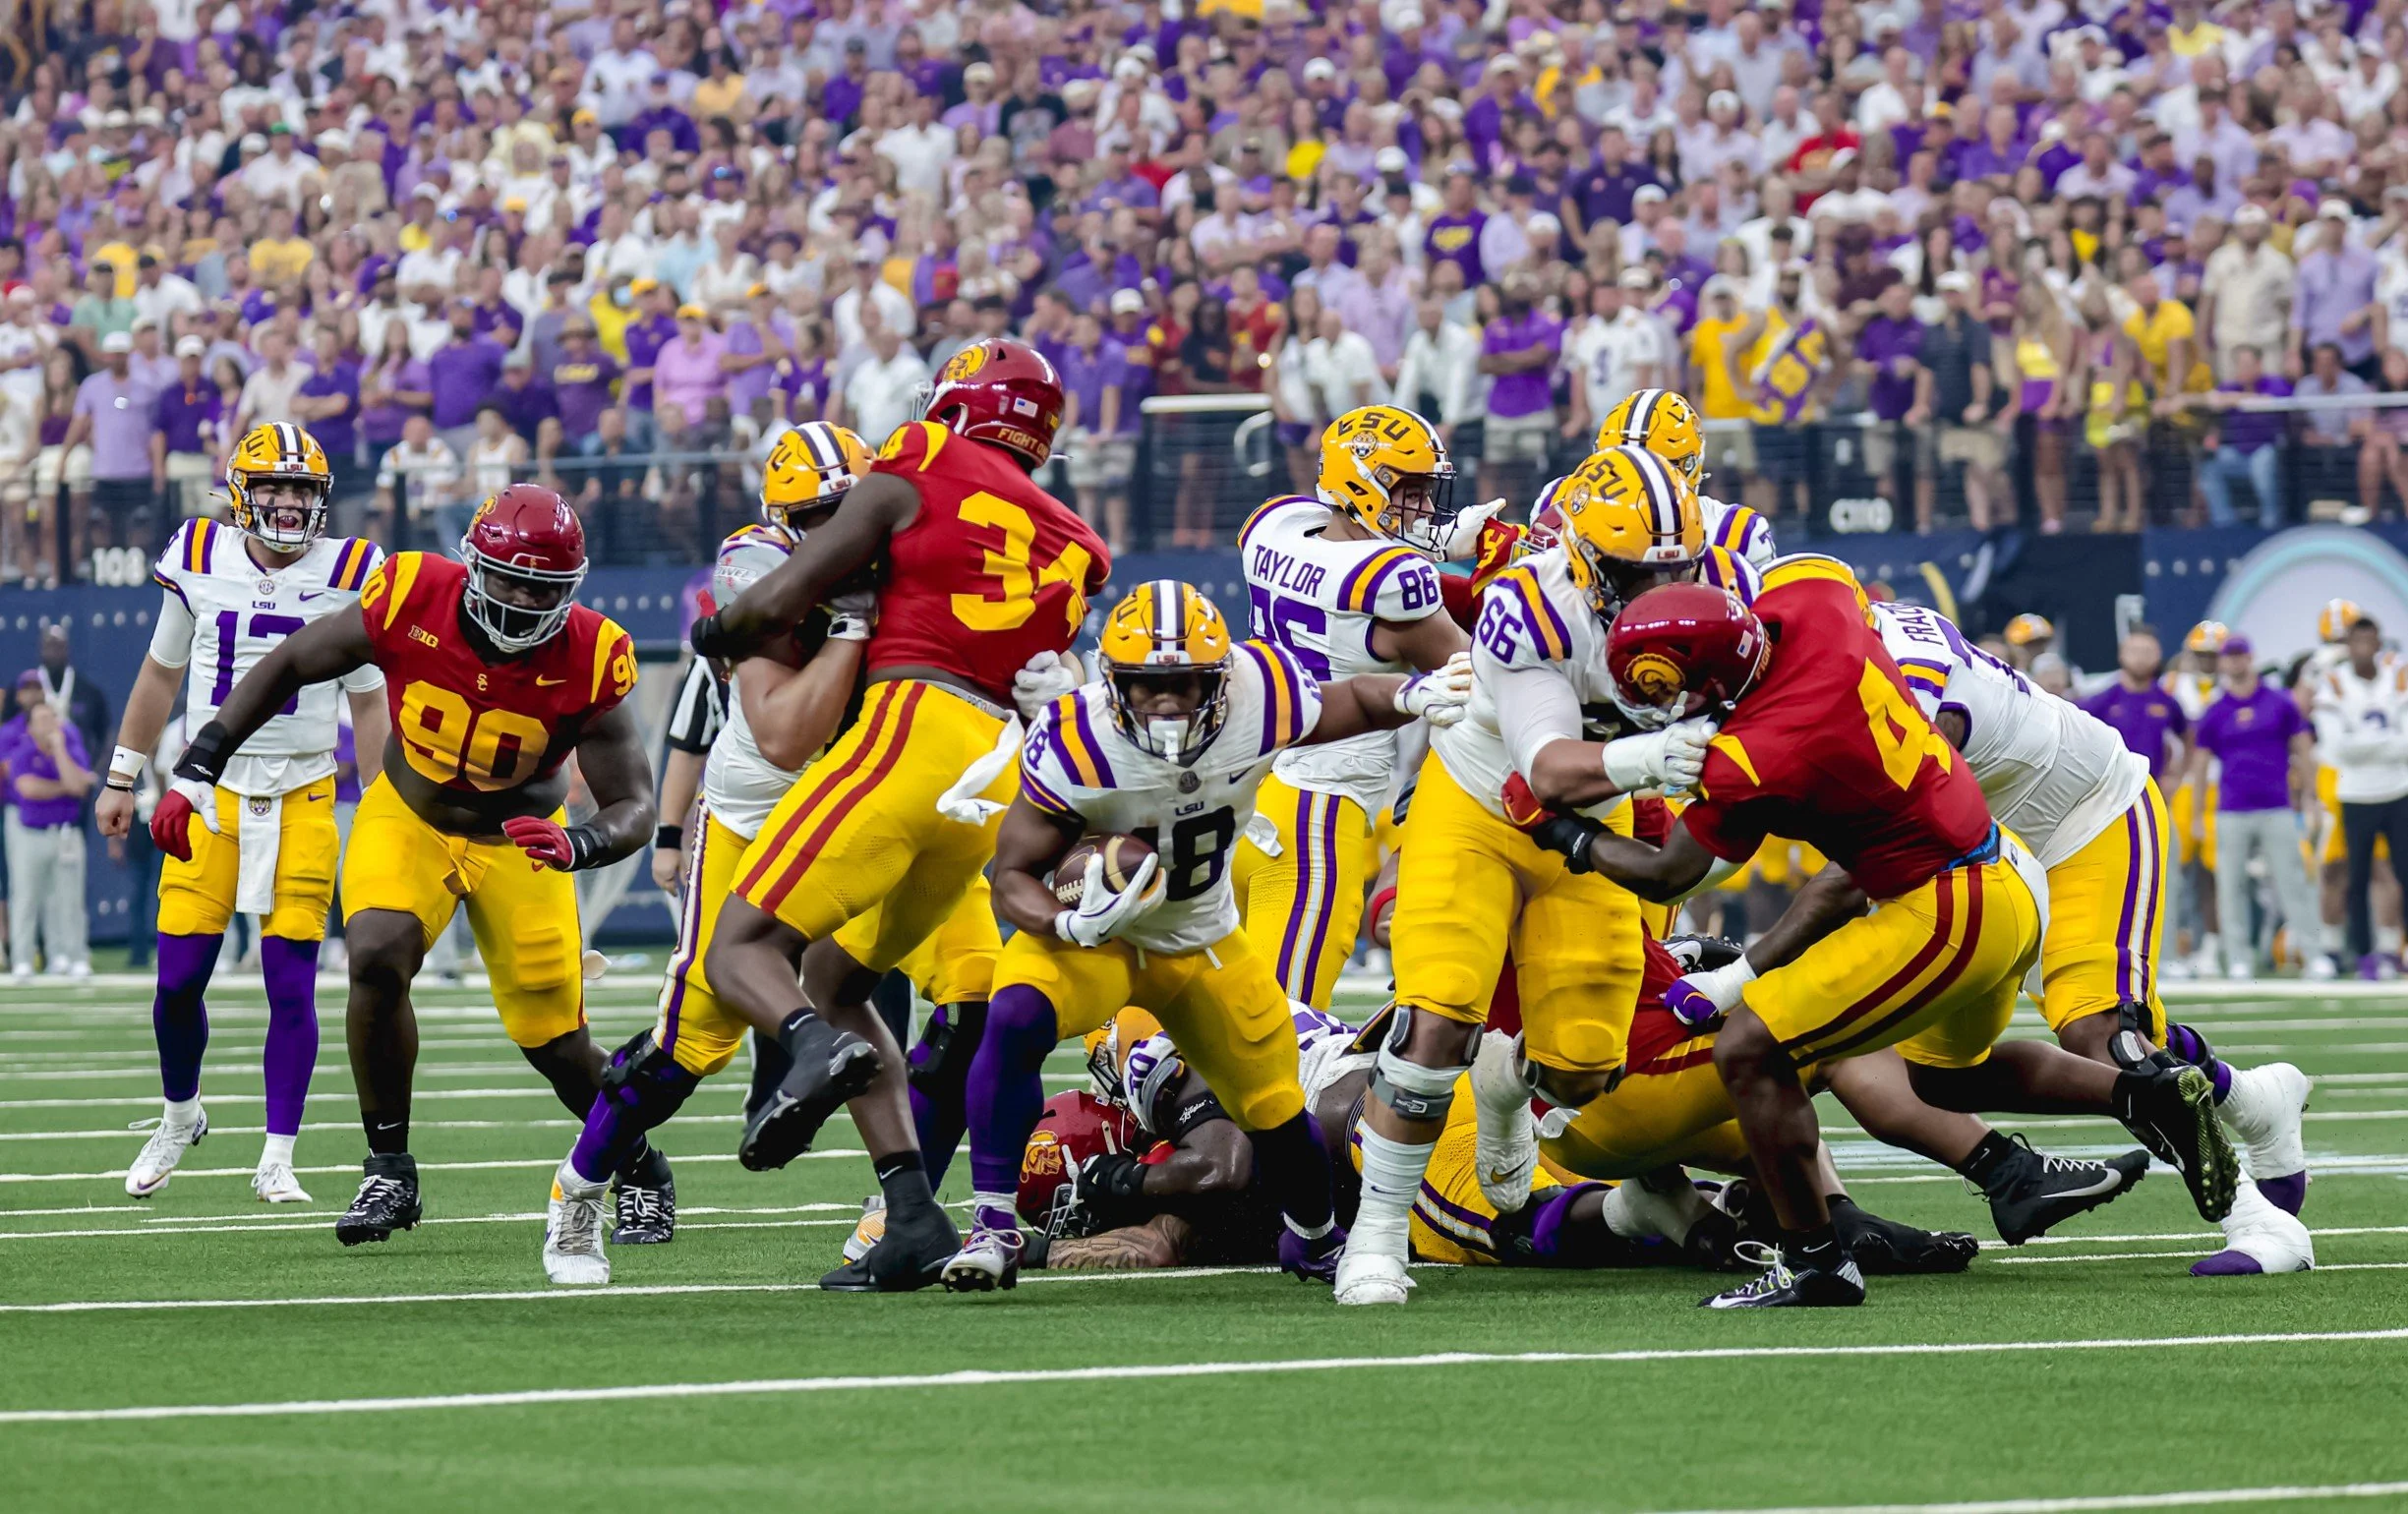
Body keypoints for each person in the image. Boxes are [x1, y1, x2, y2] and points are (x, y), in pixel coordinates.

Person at [1534, 573, 2234, 1306]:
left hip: (1945, 905)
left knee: (1750, 1048)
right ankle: (2142, 1094)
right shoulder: (1815, 605)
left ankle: (1815, 1264)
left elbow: (1668, 874)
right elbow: (1813, 596)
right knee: (1938, 1078)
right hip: (2003, 869)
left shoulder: (1755, 753)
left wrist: (1563, 832)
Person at [684, 339, 1109, 1291]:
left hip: (912, 728)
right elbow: (1048, 658)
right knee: (838, 980)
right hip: (995, 773)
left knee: (738, 950)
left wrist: (721, 629)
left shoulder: (921, 454)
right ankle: (912, 1215)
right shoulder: (1075, 540)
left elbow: (792, 587)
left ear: (958, 406)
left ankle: (806, 1051)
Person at [150, 485, 671, 1247]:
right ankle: (388, 1170)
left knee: (555, 1045)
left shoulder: (592, 652)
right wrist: (203, 758)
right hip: (410, 815)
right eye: (510, 580)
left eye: (544, 587)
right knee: (375, 957)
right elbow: (291, 661)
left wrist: (581, 843)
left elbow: (634, 805)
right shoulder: (412, 593)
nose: (525, 600)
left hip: (521, 842)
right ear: (473, 566)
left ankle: (643, 1166)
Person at [954, 579, 1472, 1293]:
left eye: (1187, 683)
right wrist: (1063, 920)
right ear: (1113, 682)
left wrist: (1412, 695)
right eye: (1147, 686)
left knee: (1274, 1105)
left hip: (1201, 937)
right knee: (1013, 1013)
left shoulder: (1260, 693)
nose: (1167, 703)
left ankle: (1314, 1239)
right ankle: (992, 1225)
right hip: (1102, 938)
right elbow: (1012, 872)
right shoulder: (1076, 738)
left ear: (1221, 679)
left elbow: (1349, 700)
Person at [1337, 444, 1707, 1308]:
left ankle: (1504, 1084)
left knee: (1583, 1068)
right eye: (1633, 574)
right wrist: (1661, 755)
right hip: (1479, 808)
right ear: (1583, 559)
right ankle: (1375, 1238)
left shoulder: (1721, 596)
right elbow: (1546, 768)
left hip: (1592, 828)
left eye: (1676, 572)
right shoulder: (1531, 605)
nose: (1658, 593)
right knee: (1435, 1018)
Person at [1877, 599, 2312, 1271]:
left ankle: (2256, 1219)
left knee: (2102, 1034)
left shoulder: (1899, 669)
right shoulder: (1793, 684)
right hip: (1981, 860)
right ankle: (2247, 1097)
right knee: (1939, 1079)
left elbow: (1886, 811)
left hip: (2083, 821)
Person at [99, 424, 390, 1205]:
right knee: (177, 981)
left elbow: (370, 702)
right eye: (274, 486)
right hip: (208, 791)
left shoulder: (352, 570)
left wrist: (383, 808)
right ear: (241, 493)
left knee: (290, 983)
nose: (289, 502)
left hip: (304, 791)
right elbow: (160, 674)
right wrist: (122, 777)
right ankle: (180, 1115)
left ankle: (278, 1154)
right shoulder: (201, 552)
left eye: (302, 489)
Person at [1232, 405, 1478, 1009]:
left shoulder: (1274, 527)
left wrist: (1433, 549)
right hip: (1315, 818)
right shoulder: (1390, 579)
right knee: (1279, 1030)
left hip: (1246, 792)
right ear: (1366, 485)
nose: (1426, 509)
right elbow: (1483, 678)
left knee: (1206, 1017)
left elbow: (1335, 552)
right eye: (1412, 492)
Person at [2185, 635, 2323, 980]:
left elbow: (2302, 747)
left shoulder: (2278, 702)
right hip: (2231, 808)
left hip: (2277, 805)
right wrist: (2199, 813)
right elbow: (2200, 765)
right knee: (2230, 886)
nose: (2235, 662)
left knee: (2292, 881)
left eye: (2240, 655)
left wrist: (2310, 795)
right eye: (2229, 656)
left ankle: (2313, 954)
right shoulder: (2216, 710)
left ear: (2250, 658)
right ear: (2222, 662)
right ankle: (2238, 958)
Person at [2313, 615, 2408, 982]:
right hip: (2353, 792)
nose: (2364, 648)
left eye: (2370, 641)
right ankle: (2364, 953)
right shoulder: (2333, 681)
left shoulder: (2397, 675)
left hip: (2398, 789)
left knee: (2402, 872)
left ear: (2379, 643)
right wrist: (2387, 743)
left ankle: (2396, 948)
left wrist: (2362, 743)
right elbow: (2337, 747)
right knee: (2354, 875)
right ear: (2347, 645)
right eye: (2357, 641)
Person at [1, 685, 95, 980]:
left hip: (66, 832)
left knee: (70, 899)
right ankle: (23, 959)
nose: (48, 724)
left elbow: (79, 787)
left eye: (51, 718)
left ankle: (75, 956)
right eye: (41, 720)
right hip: (31, 832)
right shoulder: (23, 751)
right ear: (30, 727)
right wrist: (65, 787)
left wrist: (59, 751)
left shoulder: (70, 745)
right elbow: (28, 788)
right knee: (26, 897)